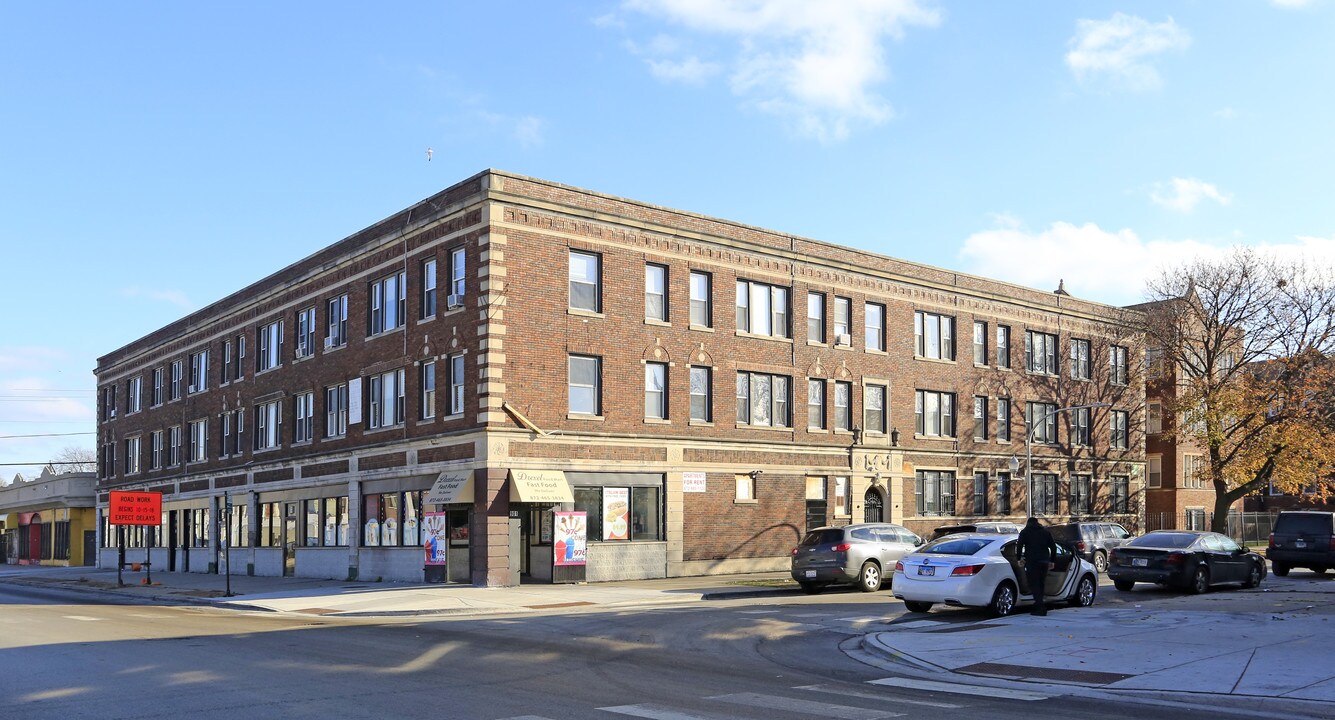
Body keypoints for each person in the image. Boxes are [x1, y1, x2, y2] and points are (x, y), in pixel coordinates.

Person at [1016, 516, 1058, 616]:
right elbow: (1053, 547)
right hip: (1044, 561)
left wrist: (1018, 559)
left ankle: (1040, 607)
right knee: (1041, 583)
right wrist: (1052, 560)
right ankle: (1039, 605)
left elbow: (1019, 546)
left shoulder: (1025, 532)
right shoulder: (1045, 532)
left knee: (1034, 584)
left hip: (1032, 562)